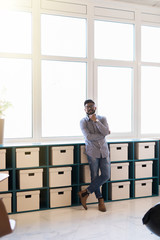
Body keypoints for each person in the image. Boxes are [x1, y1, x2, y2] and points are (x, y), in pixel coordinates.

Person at [78, 99, 110, 212]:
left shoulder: (102, 119)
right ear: (84, 109)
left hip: (104, 151)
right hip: (92, 152)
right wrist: (103, 135)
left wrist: (96, 121)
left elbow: (105, 132)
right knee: (95, 176)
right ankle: (100, 200)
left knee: (106, 175)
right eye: (87, 107)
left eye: (91, 106)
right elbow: (89, 137)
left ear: (95, 107)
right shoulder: (83, 122)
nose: (90, 108)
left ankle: (85, 193)